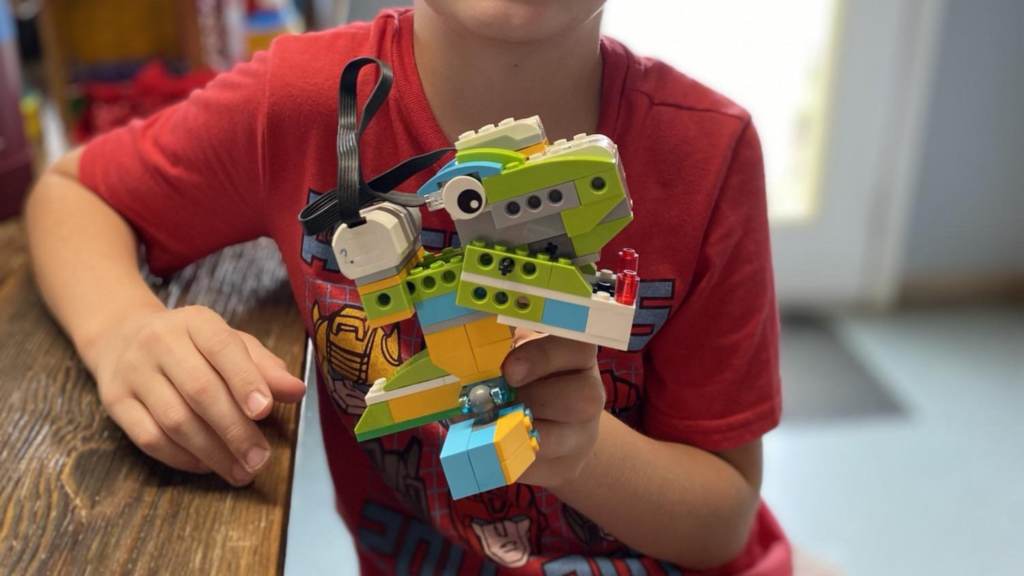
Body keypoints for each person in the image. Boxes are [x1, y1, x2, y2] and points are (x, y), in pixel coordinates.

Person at [25, 2, 788, 574]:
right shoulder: (305, 104)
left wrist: (578, 448)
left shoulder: (707, 151)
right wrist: (122, 330)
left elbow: (722, 521)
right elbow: (74, 194)